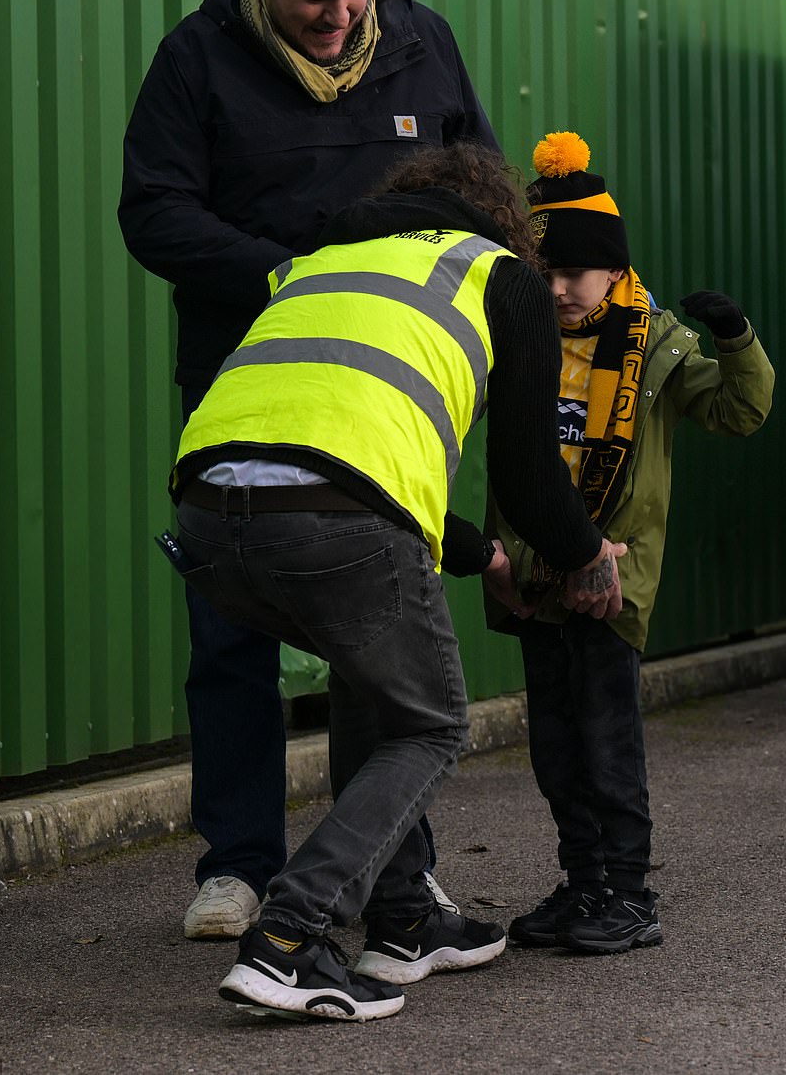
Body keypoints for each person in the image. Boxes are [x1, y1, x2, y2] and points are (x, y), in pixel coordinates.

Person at [118, 0, 501, 938]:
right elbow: (151, 213)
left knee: (383, 639)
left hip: (386, 400)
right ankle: (237, 865)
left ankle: (394, 874)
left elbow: (477, 180)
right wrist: (286, 277)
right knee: (230, 625)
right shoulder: (196, 58)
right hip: (248, 382)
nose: (340, 18)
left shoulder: (415, 35)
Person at [169, 142, 627, 1021]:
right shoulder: (500, 275)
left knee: (368, 679)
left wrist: (479, 556)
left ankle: (404, 918)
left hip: (205, 513)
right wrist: (584, 554)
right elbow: (529, 479)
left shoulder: (313, 267)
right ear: (503, 220)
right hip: (335, 518)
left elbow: (324, 435)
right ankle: (291, 938)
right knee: (430, 722)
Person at [486, 131, 775, 954]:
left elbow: (739, 412)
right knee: (554, 746)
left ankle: (628, 892)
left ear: (614, 267)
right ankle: (582, 883)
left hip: (613, 583)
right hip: (537, 581)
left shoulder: (657, 347)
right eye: (543, 272)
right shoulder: (522, 341)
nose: (558, 287)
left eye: (574, 270)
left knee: (608, 742)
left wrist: (735, 341)